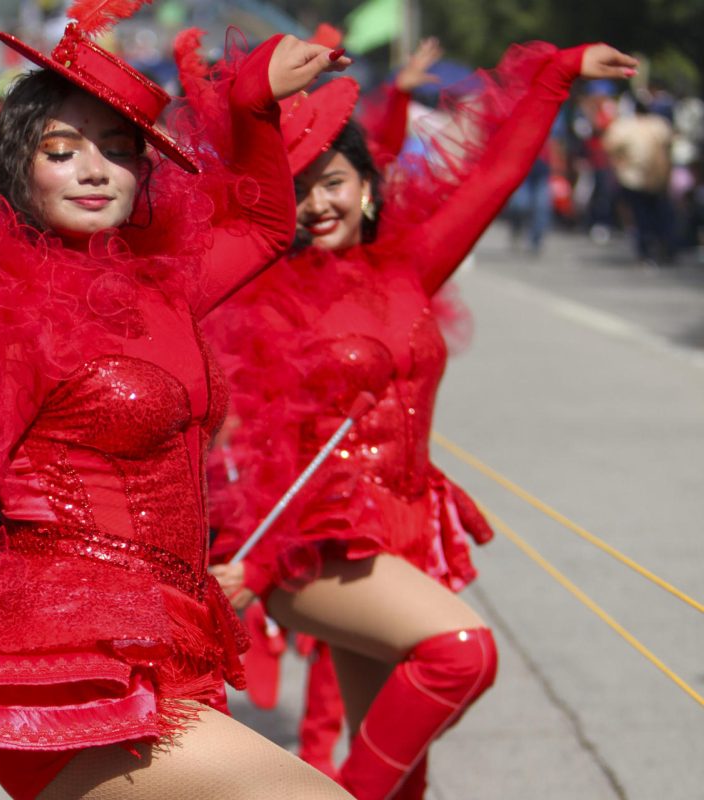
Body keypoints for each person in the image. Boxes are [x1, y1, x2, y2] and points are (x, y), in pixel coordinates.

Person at [0, 7, 354, 800]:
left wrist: (252, 99)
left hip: (167, 648)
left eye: (119, 153)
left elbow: (259, 221)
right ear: (20, 166)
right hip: (66, 683)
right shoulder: (10, 323)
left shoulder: (164, 287)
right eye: (62, 149)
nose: (94, 170)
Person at [205, 42, 637, 800]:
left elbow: (497, 175)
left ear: (367, 189)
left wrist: (557, 74)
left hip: (405, 528)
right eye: (298, 189)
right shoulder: (263, 296)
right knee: (461, 653)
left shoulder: (410, 266)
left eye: (332, 183)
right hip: (310, 544)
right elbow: (237, 443)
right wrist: (254, 561)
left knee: (406, 775)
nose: (317, 204)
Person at [604, 92, 677, 265]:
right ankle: (660, 248)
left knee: (642, 216)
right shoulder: (660, 125)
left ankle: (647, 251)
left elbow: (610, 146)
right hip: (654, 179)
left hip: (635, 179)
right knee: (657, 215)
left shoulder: (624, 127)